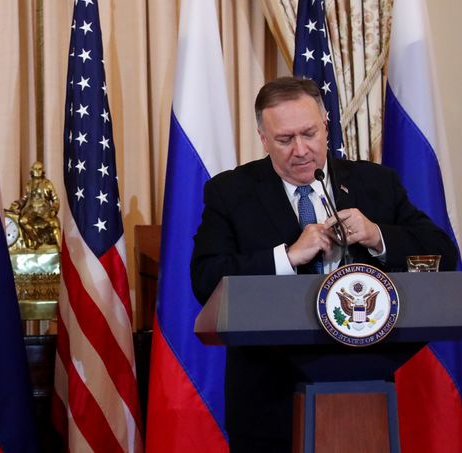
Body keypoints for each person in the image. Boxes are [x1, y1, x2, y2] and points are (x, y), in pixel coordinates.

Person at [191, 77, 458, 451]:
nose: (301, 150)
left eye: (310, 133)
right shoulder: (230, 192)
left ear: (326, 127)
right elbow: (205, 279)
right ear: (263, 139)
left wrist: (376, 235)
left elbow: (443, 254)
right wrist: (288, 256)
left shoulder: (375, 182)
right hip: (268, 398)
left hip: (366, 387)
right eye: (285, 139)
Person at [8, 161, 62, 249]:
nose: (37, 171)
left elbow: (55, 199)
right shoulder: (29, 184)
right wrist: (17, 203)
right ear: (32, 170)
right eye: (35, 169)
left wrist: (54, 209)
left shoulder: (47, 184)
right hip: (31, 209)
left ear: (43, 170)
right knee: (22, 221)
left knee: (54, 223)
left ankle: (60, 250)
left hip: (44, 210)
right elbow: (24, 199)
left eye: (40, 169)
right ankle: (37, 241)